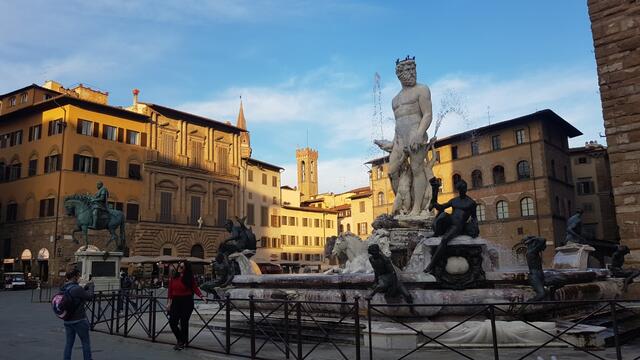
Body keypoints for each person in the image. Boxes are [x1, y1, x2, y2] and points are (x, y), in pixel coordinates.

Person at [378, 56, 433, 216]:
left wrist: (419, 133)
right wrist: (391, 143)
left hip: (416, 135)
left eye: (413, 69)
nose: (412, 73)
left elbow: (428, 114)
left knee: (417, 170)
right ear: (399, 74)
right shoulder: (395, 100)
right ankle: (404, 205)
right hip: (400, 140)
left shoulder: (422, 89)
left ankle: (416, 208)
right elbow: (398, 124)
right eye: (408, 70)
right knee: (392, 171)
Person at [425, 179, 478, 274]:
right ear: (459, 190)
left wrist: (475, 228)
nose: (462, 191)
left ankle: (431, 264)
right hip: (450, 221)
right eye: (460, 189)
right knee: (443, 215)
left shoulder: (471, 203)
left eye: (463, 189)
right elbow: (441, 207)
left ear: (465, 189)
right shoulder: (454, 200)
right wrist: (434, 197)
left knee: (445, 239)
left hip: (458, 225)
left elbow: (474, 217)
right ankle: (436, 233)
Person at [167, 261, 207, 350]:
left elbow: (195, 287)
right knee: (172, 322)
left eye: (182, 267)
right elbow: (170, 291)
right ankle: (181, 339)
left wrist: (201, 296)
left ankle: (181, 343)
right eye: (179, 266)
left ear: (186, 268)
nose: (179, 268)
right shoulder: (173, 277)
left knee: (184, 323)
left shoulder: (189, 277)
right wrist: (169, 303)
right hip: (176, 301)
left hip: (187, 301)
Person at [61, 268, 94, 360]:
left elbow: (75, 296)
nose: (79, 277)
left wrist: (84, 288)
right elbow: (90, 297)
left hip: (67, 319)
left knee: (69, 343)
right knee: (85, 343)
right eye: (78, 276)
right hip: (79, 320)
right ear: (75, 277)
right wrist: (91, 286)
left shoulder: (63, 288)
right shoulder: (77, 289)